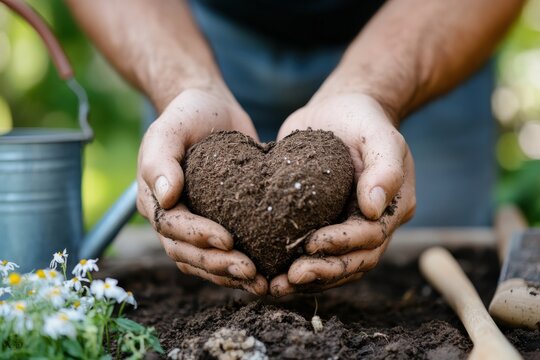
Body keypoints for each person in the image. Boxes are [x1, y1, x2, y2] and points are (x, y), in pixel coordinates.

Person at [66, 0, 524, 297]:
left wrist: (374, 90)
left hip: (428, 26)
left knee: (438, 270)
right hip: (189, 29)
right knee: (192, 237)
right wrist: (185, 86)